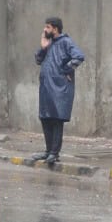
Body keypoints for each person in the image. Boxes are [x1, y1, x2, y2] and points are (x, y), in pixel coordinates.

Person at [33, 17, 85, 165]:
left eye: (48, 27)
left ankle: (54, 153)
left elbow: (79, 57)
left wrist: (65, 70)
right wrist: (43, 47)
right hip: (46, 87)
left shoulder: (66, 42)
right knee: (45, 118)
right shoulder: (48, 44)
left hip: (60, 87)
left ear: (55, 29)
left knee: (56, 119)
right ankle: (48, 151)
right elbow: (38, 60)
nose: (45, 30)